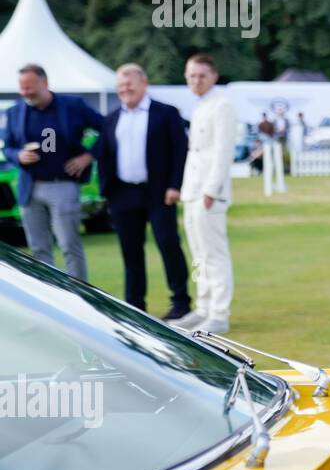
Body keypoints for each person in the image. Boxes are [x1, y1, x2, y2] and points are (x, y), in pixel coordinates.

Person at [99, 64, 191, 319]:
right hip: (123, 195)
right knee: (130, 251)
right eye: (120, 86)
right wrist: (107, 191)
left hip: (159, 193)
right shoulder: (112, 118)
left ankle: (181, 302)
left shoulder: (166, 113)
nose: (125, 89)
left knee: (168, 245)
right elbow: (104, 155)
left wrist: (175, 185)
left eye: (129, 84)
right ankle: (135, 307)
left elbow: (179, 151)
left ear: (144, 83)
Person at [2, 64, 102, 280]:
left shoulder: (73, 105)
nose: (25, 92)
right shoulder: (14, 111)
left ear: (45, 83)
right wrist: (18, 155)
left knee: (69, 245)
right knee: (38, 249)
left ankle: (80, 297)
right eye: (22, 87)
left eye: (30, 87)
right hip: (29, 188)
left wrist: (88, 156)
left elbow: (107, 130)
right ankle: (51, 302)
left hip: (63, 185)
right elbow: (7, 147)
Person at [175, 53, 238, 334]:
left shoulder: (222, 106)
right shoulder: (200, 107)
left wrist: (211, 189)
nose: (196, 81)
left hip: (209, 193)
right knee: (198, 255)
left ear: (213, 76)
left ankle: (219, 313)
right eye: (191, 76)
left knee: (214, 254)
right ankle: (203, 307)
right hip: (192, 191)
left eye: (201, 75)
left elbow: (223, 152)